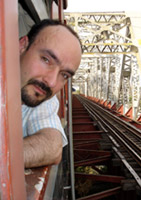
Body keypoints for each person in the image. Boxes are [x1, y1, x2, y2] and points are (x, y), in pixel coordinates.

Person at [19, 19, 82, 168]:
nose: (52, 82)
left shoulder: (40, 96)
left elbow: (52, 147)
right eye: (46, 60)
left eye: (64, 75)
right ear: (22, 46)